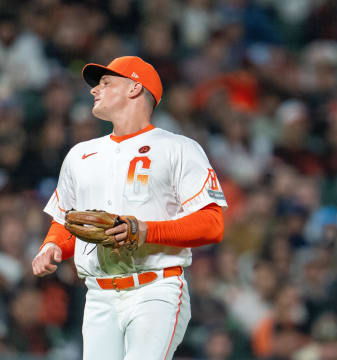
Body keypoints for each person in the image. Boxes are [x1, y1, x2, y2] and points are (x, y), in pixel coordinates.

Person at [32, 56, 228, 360]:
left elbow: (212, 225)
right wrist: (51, 246)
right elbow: (67, 221)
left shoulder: (178, 148)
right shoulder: (81, 154)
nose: (95, 90)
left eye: (107, 83)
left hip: (154, 290)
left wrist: (148, 230)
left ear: (135, 87)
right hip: (98, 295)